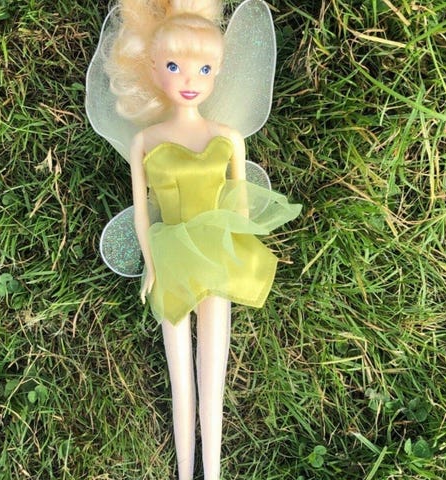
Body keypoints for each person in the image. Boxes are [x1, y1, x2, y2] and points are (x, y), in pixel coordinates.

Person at [91, 1, 301, 478]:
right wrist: (151, 263)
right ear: (151, 68)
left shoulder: (228, 135)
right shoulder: (145, 141)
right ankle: (186, 471)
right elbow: (142, 210)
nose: (190, 79)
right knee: (180, 378)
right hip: (169, 255)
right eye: (174, 66)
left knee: (213, 374)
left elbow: (239, 206)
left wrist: (240, 250)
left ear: (218, 71)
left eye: (204, 69)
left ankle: (213, 471)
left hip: (216, 253)